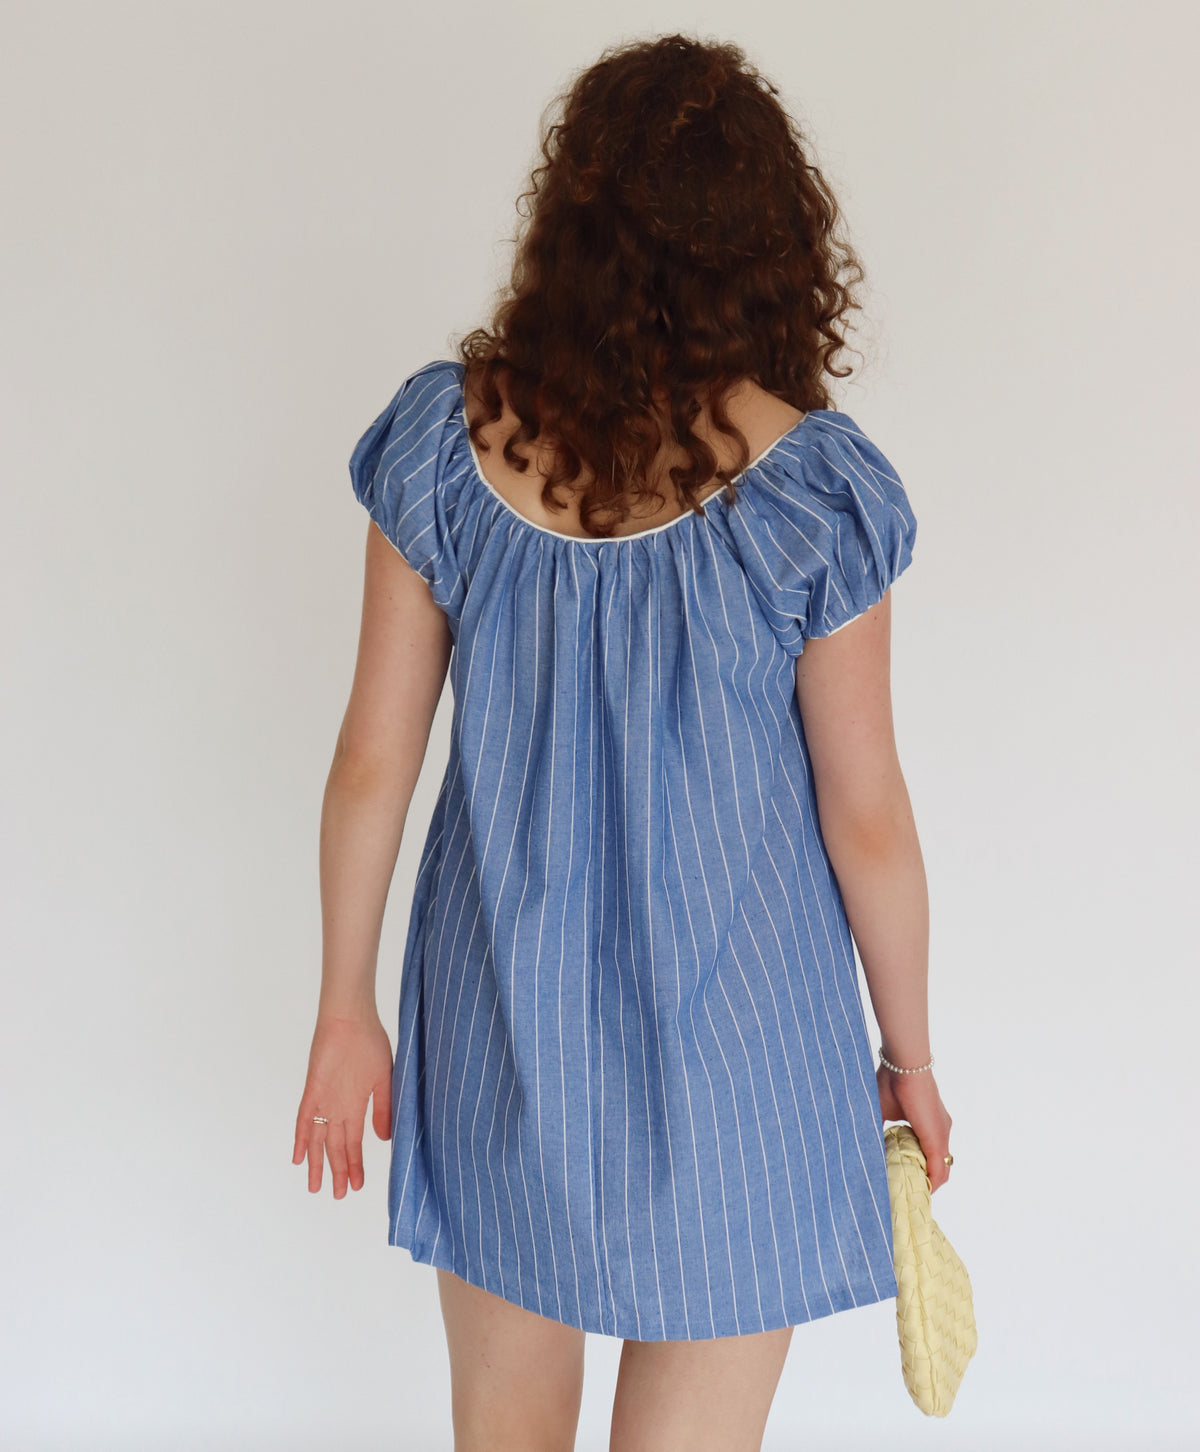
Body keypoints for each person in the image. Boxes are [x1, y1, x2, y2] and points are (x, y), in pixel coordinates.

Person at [293, 30, 953, 1452]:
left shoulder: (446, 450)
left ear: (570, 229)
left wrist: (346, 1004)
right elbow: (870, 818)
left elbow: (371, 764)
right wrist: (907, 1060)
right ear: (774, 246)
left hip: (501, 1033)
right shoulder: (812, 496)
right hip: (742, 1048)